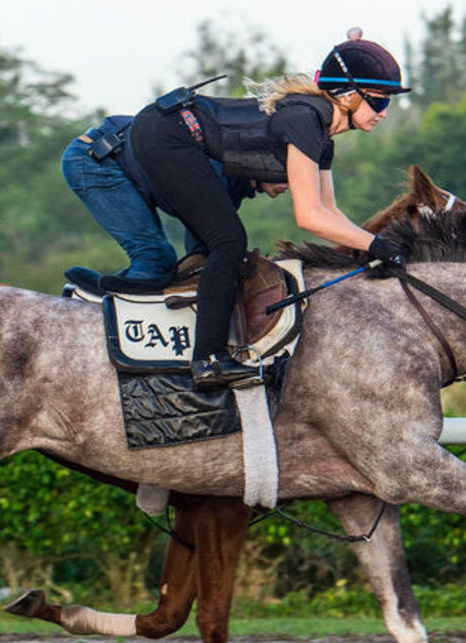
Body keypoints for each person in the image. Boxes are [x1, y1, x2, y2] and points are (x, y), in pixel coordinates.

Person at [73, 27, 410, 386]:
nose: (384, 113)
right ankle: (208, 360)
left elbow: (330, 211)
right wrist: (377, 245)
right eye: (379, 102)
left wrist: (371, 248)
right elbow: (309, 215)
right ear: (348, 97)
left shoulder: (323, 138)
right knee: (229, 242)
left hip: (171, 132)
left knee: (212, 250)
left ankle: (165, 320)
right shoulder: (305, 121)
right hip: (165, 134)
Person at [61, 117, 288, 294]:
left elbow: (203, 248)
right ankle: (110, 310)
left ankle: (117, 285)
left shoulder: (233, 181)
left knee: (169, 263)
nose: (290, 185)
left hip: (120, 158)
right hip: (95, 160)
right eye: (287, 174)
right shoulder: (217, 173)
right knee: (154, 258)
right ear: (262, 164)